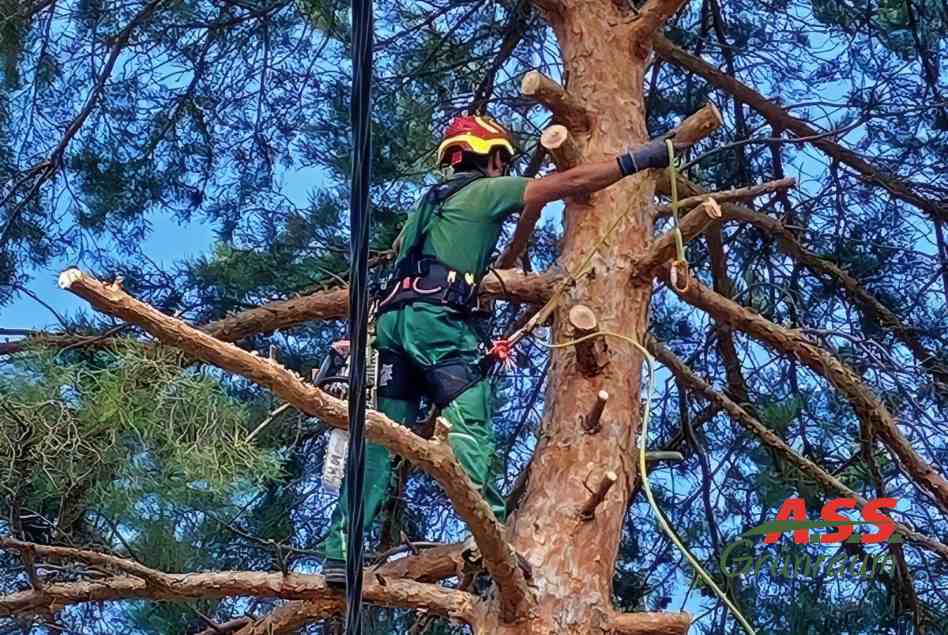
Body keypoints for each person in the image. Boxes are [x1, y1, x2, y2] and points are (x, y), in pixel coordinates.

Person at [319, 114, 682, 585]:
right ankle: (490, 541)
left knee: (379, 443)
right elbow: (569, 181)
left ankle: (339, 553)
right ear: (489, 158)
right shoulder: (484, 192)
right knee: (469, 426)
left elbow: (425, 271)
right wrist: (641, 158)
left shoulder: (426, 207)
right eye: (501, 162)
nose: (502, 171)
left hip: (390, 327)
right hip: (437, 328)